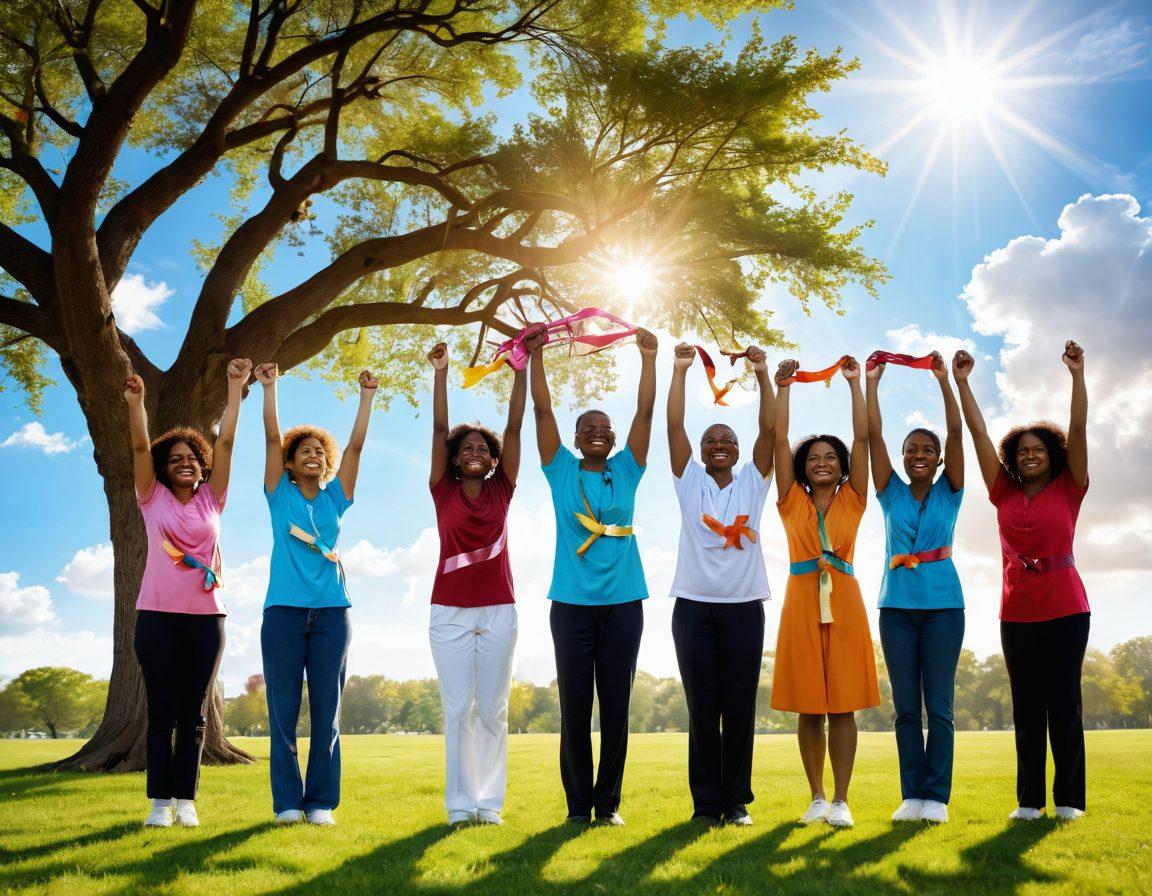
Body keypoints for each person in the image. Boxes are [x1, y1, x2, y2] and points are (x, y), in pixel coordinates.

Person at [953, 342, 1090, 821]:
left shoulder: (1070, 486)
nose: (1031, 455)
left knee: (1064, 704)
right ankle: (1029, 801)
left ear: (1053, 454)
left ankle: (1069, 800)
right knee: (1027, 706)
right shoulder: (1003, 492)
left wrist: (1076, 375)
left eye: (1039, 449)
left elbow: (1077, 428)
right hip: (1017, 612)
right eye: (1023, 450)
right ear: (1014, 457)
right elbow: (978, 433)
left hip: (1068, 607)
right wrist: (963, 382)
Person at [530, 327, 658, 826]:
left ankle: (609, 806)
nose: (598, 433)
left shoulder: (626, 470)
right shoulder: (560, 469)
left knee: (617, 710)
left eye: (605, 427)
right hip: (571, 605)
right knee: (575, 709)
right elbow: (543, 412)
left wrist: (648, 359)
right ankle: (577, 807)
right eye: (588, 428)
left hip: (625, 603)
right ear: (576, 438)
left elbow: (645, 414)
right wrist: (536, 356)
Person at [126, 357, 251, 828]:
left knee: (194, 713)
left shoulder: (211, 498)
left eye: (191, 458)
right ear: (163, 468)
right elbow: (140, 445)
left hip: (206, 618)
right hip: (156, 616)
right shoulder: (150, 497)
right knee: (161, 711)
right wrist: (136, 403)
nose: (184, 463)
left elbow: (228, 441)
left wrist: (235, 388)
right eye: (174, 458)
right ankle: (160, 802)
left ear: (202, 467)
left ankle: (186, 800)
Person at [425, 329, 544, 825]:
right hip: (448, 612)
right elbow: (437, 429)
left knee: (493, 710)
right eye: (466, 447)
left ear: (494, 460)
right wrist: (442, 373)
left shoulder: (503, 491)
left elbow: (516, 428)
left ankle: (488, 805)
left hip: (499, 610)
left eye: (484, 448)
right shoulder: (442, 490)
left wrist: (522, 369)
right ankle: (459, 806)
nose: (475, 451)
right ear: (455, 457)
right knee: (458, 710)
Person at [255, 362, 378, 826]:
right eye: (302, 451)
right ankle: (288, 803)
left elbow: (357, 446)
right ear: (288, 463)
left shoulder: (335, 498)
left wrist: (365, 397)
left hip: (332, 614)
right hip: (283, 613)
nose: (313, 455)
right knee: (282, 712)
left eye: (318, 452)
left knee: (327, 712)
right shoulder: (278, 494)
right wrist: (271, 387)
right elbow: (270, 439)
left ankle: (320, 803)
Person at [666, 342, 775, 826]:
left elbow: (770, 429)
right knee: (702, 710)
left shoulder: (755, 480)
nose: (718, 445)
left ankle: (736, 803)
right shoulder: (689, 481)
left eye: (727, 439)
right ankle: (705, 806)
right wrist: (680, 370)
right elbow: (673, 427)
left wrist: (762, 372)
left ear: (738, 449)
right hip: (692, 607)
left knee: (739, 707)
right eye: (711, 439)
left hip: (744, 608)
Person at [770, 356, 878, 828]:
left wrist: (855, 384)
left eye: (830, 457)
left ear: (842, 466)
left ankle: (841, 800)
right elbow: (777, 439)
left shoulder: (854, 497)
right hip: (800, 598)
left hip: (845, 599)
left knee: (844, 705)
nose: (821, 462)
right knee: (810, 706)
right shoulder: (790, 498)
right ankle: (815, 797)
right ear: (801, 467)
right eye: (812, 458)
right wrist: (785, 387)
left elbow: (862, 438)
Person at [866, 352, 964, 824]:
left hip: (945, 607)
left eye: (927, 449)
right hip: (896, 608)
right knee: (906, 706)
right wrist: (871, 385)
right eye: (911, 449)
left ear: (938, 458)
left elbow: (958, 432)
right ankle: (911, 794)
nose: (918, 455)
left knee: (939, 705)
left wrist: (945, 382)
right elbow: (872, 436)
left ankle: (936, 797)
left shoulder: (952, 489)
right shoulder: (890, 491)